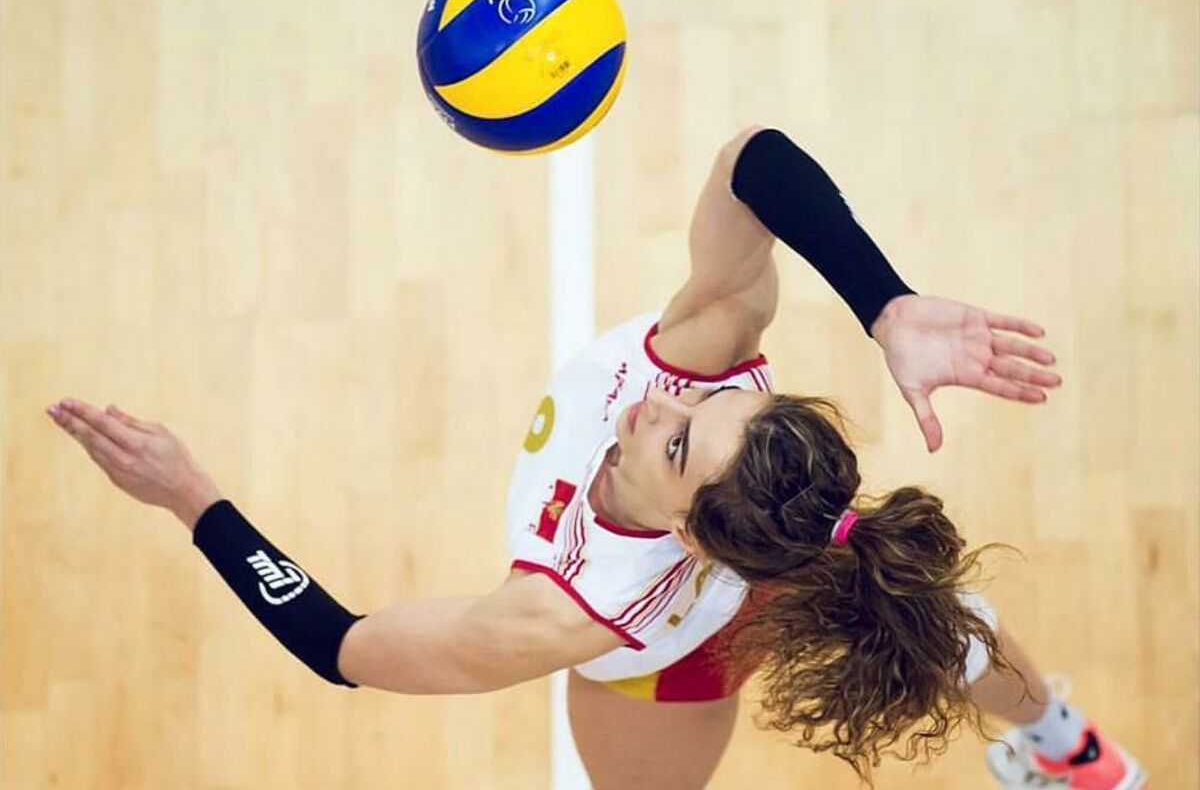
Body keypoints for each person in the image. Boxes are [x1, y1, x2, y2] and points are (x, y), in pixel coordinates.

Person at [47, 127, 1145, 790]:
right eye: (701, 404)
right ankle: (1063, 744)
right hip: (734, 600)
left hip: (692, 648)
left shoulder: (572, 604)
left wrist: (190, 496)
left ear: (692, 531)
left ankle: (1063, 747)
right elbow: (754, 158)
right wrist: (885, 301)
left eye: (677, 439)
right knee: (940, 616)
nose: (659, 398)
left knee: (933, 619)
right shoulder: (711, 345)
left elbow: (337, 645)